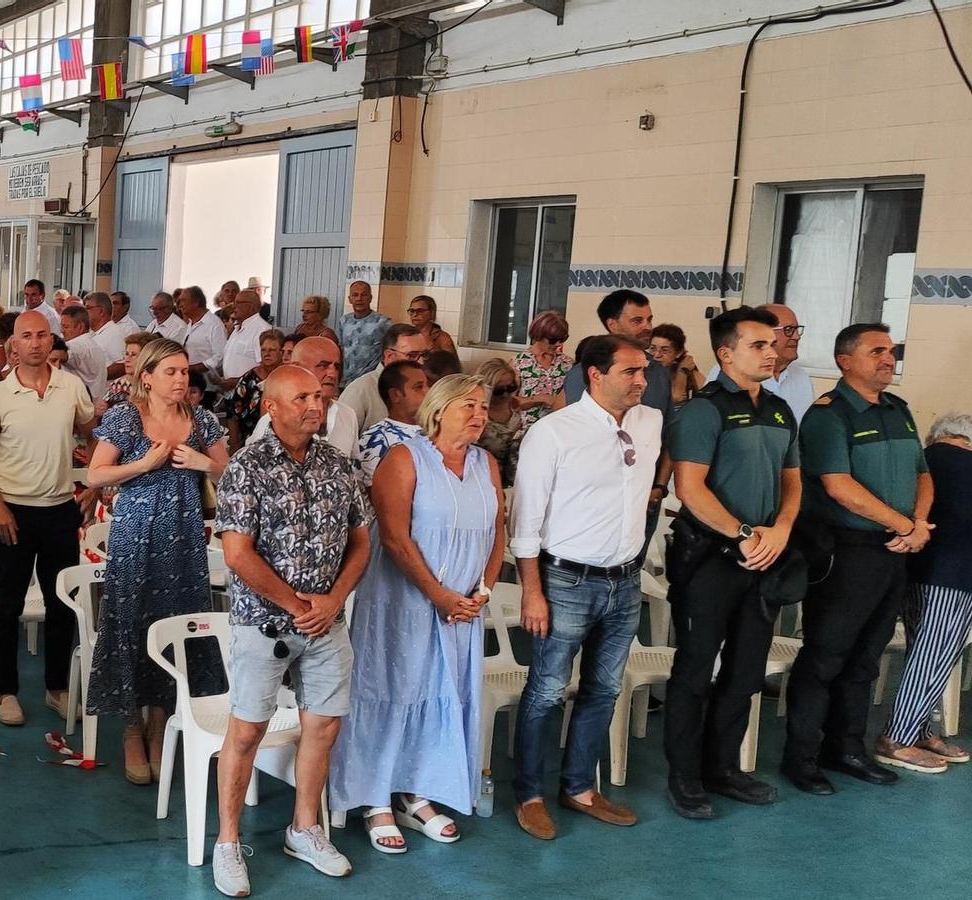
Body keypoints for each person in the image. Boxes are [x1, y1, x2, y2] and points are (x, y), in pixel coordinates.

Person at [210, 365, 369, 894]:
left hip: (328, 621)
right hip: (264, 623)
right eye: (301, 397)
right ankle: (228, 842)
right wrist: (299, 603)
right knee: (248, 729)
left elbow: (360, 541)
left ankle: (304, 829)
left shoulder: (338, 465)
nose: (315, 405)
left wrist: (334, 598)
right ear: (270, 407)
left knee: (322, 727)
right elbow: (237, 553)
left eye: (320, 396)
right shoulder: (247, 467)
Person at [330, 373, 501, 853]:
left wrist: (481, 589)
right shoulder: (405, 458)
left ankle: (416, 790)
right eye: (467, 405)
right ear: (439, 410)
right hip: (403, 601)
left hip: (463, 606)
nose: (478, 414)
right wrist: (438, 594)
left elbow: (496, 530)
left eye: (483, 406)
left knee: (440, 692)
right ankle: (374, 797)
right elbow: (395, 537)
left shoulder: (486, 463)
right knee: (391, 688)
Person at [509, 335, 660, 840]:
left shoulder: (651, 423)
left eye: (645, 371)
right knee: (548, 690)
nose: (642, 381)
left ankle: (579, 788)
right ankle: (529, 794)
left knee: (604, 689)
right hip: (565, 579)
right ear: (594, 374)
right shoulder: (554, 433)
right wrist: (533, 591)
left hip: (624, 579)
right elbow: (525, 523)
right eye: (630, 372)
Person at [661, 305, 799, 819]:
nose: (772, 351)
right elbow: (690, 488)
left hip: (766, 555)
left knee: (744, 672)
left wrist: (780, 531)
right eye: (759, 345)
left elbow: (793, 480)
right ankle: (685, 777)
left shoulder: (781, 409)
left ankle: (723, 768)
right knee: (696, 669)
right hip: (713, 559)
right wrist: (742, 534)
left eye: (775, 343)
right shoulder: (704, 410)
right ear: (726, 353)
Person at [782, 323, 932, 793]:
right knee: (827, 654)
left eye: (891, 351)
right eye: (876, 351)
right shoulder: (829, 415)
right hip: (847, 552)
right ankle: (801, 757)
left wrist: (918, 525)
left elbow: (921, 473)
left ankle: (846, 749)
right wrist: (903, 524)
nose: (888, 359)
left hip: (895, 551)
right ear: (845, 361)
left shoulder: (897, 409)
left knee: (867, 657)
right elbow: (838, 486)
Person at [84, 338, 227, 784]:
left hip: (184, 538)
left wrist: (205, 463)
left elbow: (232, 472)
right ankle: (131, 725)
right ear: (146, 376)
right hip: (135, 535)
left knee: (177, 622)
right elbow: (95, 473)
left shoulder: (202, 420)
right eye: (171, 371)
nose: (182, 379)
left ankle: (161, 722)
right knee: (130, 621)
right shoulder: (126, 418)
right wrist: (143, 464)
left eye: (185, 371)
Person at [0, 309, 93, 727]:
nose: (36, 343)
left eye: (43, 335)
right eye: (27, 336)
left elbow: (92, 434)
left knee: (63, 605)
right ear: (14, 345)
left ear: (51, 341)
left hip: (60, 511)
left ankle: (57, 688)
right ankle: (7, 691)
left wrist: (92, 485)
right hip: (13, 513)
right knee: (7, 605)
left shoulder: (71, 387)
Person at [882, 412, 972, 769]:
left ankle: (918, 729)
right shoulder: (965, 463)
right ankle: (898, 737)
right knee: (933, 657)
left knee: (922, 652)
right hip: (955, 573)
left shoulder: (924, 459)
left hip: (916, 567)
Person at [704, 303, 816, 418]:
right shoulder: (732, 370)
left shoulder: (801, 377)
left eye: (797, 329)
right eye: (789, 330)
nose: (796, 337)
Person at [340, 324, 429, 431]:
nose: (421, 362)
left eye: (424, 355)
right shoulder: (361, 390)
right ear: (390, 356)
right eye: (412, 356)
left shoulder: (427, 387)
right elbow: (341, 439)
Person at [355, 360, 431, 481]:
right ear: (396, 395)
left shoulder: (438, 431)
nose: (428, 392)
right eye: (419, 387)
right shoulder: (376, 439)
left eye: (428, 385)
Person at [472, 358, 526, 485]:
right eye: (499, 390)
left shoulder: (515, 407)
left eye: (511, 387)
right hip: (483, 480)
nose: (506, 394)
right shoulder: (476, 414)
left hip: (515, 481)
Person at [515, 310, 572, 428]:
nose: (558, 344)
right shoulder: (519, 363)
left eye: (562, 339)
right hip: (528, 430)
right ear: (539, 335)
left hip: (560, 429)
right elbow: (508, 402)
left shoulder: (568, 363)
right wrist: (539, 399)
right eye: (552, 340)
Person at [335, 281, 390, 388]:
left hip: (372, 382)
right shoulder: (344, 321)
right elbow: (341, 351)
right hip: (346, 382)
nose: (359, 298)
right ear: (349, 299)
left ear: (370, 298)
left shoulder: (383, 322)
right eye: (355, 295)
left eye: (363, 295)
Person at [219, 287, 272, 386]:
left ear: (251, 306)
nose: (233, 306)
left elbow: (266, 366)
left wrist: (238, 382)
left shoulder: (262, 330)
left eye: (238, 303)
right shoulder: (237, 328)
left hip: (248, 393)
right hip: (230, 394)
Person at [650, 323, 705, 408]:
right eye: (653, 348)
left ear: (678, 353)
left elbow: (677, 397)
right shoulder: (644, 373)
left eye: (665, 350)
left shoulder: (693, 377)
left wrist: (682, 372)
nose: (657, 355)